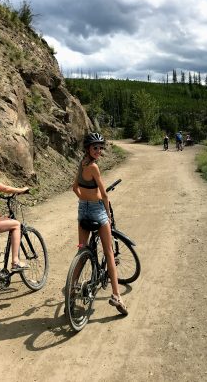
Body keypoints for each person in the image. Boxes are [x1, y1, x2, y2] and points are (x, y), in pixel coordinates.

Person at [72, 132, 128, 315]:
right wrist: (107, 213)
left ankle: (71, 289)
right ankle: (116, 295)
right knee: (109, 252)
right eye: (95, 147)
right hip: (97, 210)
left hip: (82, 210)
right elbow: (104, 194)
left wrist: (84, 200)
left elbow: (74, 188)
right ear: (88, 149)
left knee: (82, 249)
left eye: (100, 147)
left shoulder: (82, 163)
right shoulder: (94, 167)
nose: (98, 150)